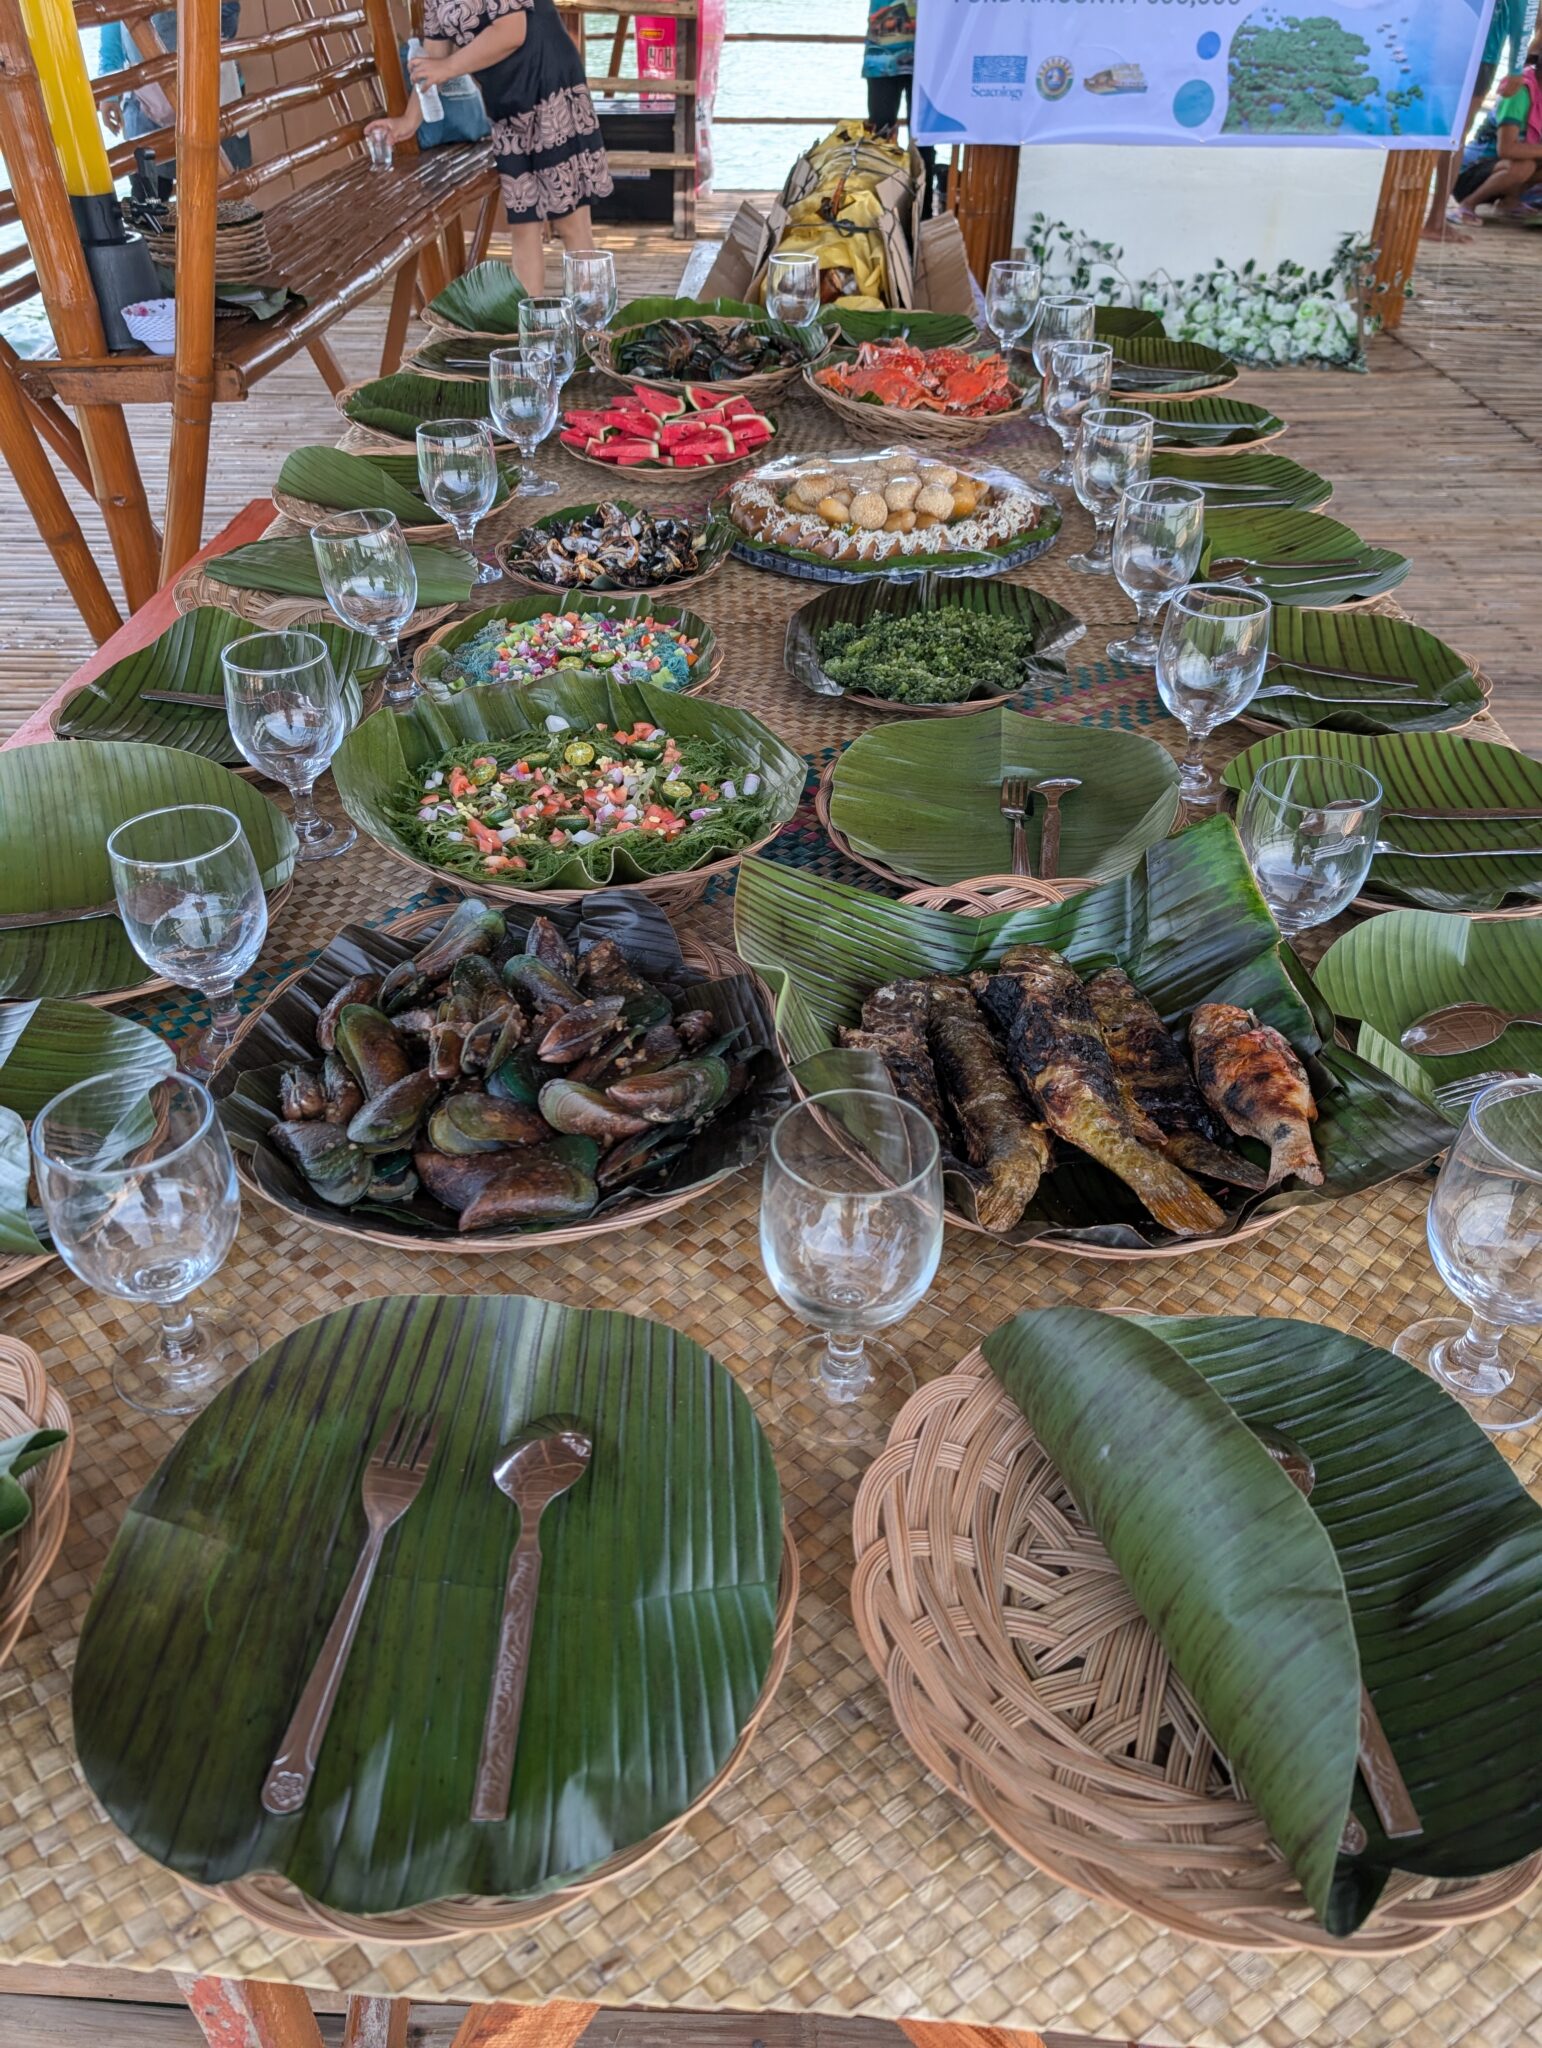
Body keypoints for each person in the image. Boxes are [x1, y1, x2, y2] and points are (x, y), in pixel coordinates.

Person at [368, 0, 612, 299]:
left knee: (570, 221)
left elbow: (512, 31)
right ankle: (528, 338)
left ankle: (593, 333)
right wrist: (408, 121)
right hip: (506, 106)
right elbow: (434, 55)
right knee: (524, 224)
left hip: (549, 85)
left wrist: (448, 68)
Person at [1424, 0, 1537, 237]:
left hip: (1434, 43)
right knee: (1454, 134)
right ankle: (1434, 220)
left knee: (1432, 129)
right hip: (1479, 54)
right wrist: (1516, 68)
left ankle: (1429, 218)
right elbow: (1522, 14)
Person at [862, 1, 937, 219]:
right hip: (882, 56)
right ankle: (879, 210)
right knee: (880, 139)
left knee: (924, 139)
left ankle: (923, 211)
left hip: (928, 58)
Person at [1452, 42, 1542, 219]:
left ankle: (1510, 201)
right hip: (1469, 174)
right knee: (1525, 165)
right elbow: (1507, 149)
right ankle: (1467, 205)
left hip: (1500, 169)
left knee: (1528, 163)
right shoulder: (1519, 93)